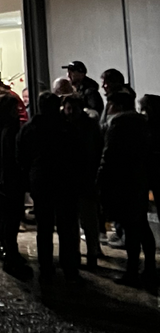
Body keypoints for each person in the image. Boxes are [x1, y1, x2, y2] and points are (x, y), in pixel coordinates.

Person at [17, 91, 80, 280]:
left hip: (41, 181)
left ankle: (46, 266)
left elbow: (21, 155)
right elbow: (78, 154)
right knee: (66, 226)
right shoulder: (67, 127)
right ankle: (70, 267)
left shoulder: (30, 128)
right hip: (65, 181)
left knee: (44, 227)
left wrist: (27, 178)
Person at [98, 92, 156, 288]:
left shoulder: (117, 124)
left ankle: (132, 271)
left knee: (130, 228)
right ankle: (149, 267)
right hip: (140, 178)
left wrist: (101, 178)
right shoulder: (144, 122)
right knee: (141, 224)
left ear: (116, 105)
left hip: (122, 180)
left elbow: (109, 154)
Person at [0, 88, 31, 278]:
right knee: (11, 218)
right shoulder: (9, 127)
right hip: (9, 177)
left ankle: (5, 249)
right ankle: (11, 255)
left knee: (1, 216)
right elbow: (10, 154)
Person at [60, 93, 104, 267]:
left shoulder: (87, 126)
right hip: (74, 178)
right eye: (67, 108)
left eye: (72, 108)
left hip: (84, 178)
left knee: (88, 219)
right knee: (76, 219)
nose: (69, 112)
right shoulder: (79, 125)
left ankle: (92, 252)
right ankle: (79, 252)